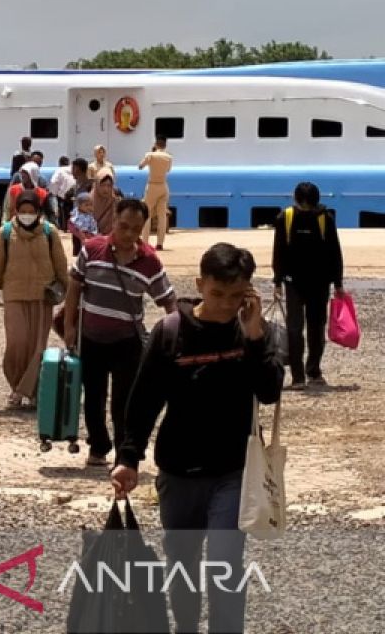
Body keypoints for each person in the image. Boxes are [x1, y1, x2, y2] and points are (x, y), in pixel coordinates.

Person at [112, 243, 284, 634]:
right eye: (218, 294)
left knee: (225, 564)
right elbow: (143, 400)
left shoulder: (254, 332)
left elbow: (271, 390)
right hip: (178, 470)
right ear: (200, 284)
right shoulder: (171, 332)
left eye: (236, 295)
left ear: (249, 292)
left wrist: (255, 337)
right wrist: (129, 458)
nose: (226, 305)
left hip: (234, 471)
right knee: (182, 565)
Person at [63, 198, 177, 467]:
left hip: (128, 343)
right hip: (91, 338)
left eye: (135, 229)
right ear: (114, 220)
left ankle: (124, 453)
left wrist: (176, 333)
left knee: (125, 402)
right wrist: (69, 327)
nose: (128, 234)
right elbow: (74, 289)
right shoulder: (91, 251)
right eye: (123, 226)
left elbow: (168, 300)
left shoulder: (149, 261)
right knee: (93, 396)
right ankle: (98, 447)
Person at [0, 190, 68, 409]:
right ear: (16, 211)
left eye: (31, 211)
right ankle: (18, 385)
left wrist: (69, 295)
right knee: (17, 345)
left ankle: (28, 392)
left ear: (38, 212)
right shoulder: (5, 233)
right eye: (23, 211)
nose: (27, 215)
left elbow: (61, 267)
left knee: (38, 347)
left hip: (42, 297)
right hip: (14, 295)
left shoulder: (50, 233)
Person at [272, 181, 344, 389]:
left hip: (320, 283)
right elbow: (279, 251)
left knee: (316, 328)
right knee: (294, 329)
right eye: (303, 204)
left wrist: (338, 282)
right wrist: (277, 281)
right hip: (293, 283)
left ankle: (314, 370)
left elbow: (334, 252)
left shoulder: (325, 219)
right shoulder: (285, 218)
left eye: (309, 205)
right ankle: (297, 377)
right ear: (296, 201)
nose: (305, 208)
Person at [139, 136, 173, 250]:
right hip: (163, 185)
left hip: (152, 185)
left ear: (156, 144)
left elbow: (140, 166)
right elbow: (168, 170)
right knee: (162, 215)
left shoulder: (150, 155)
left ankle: (145, 241)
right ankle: (160, 243)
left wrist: (151, 153)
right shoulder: (169, 157)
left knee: (147, 214)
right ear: (165, 145)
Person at [49, 156, 75, 230]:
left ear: (59, 163)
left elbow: (53, 181)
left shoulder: (59, 170)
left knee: (63, 214)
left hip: (63, 196)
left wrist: (53, 192)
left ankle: (64, 228)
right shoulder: (73, 169)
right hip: (74, 195)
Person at [68, 192, 98, 256]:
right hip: (77, 236)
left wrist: (92, 234)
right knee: (79, 251)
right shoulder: (76, 214)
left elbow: (93, 225)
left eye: (91, 205)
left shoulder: (90, 215)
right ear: (79, 205)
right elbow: (72, 224)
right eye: (86, 205)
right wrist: (79, 234)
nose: (89, 207)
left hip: (88, 235)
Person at [89, 169, 118, 235]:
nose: (106, 189)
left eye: (109, 185)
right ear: (97, 185)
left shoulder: (115, 201)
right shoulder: (87, 202)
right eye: (102, 185)